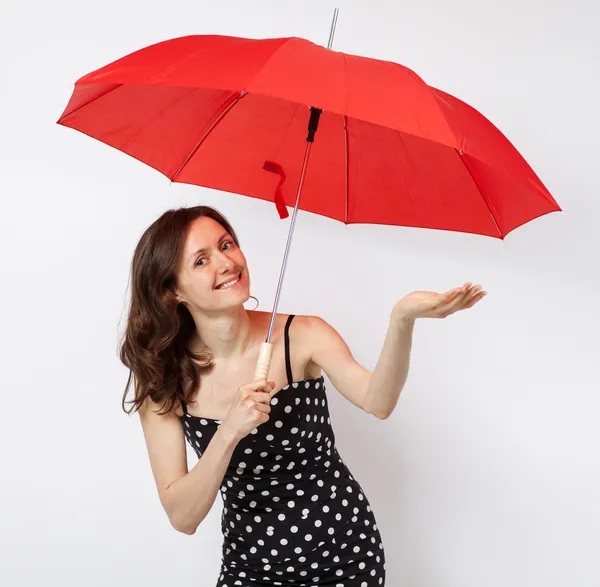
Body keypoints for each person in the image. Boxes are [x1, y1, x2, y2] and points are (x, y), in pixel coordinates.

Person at [120, 204, 484, 586]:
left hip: (345, 557)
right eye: (201, 260)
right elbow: (183, 517)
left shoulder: (303, 335)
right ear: (172, 290)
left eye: (227, 245)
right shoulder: (163, 379)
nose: (225, 262)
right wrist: (228, 432)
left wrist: (402, 320)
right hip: (251, 567)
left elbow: (378, 401)